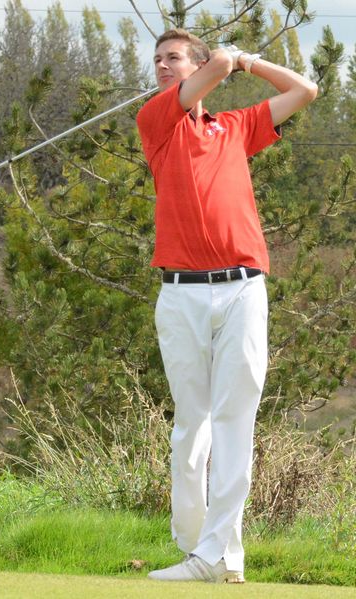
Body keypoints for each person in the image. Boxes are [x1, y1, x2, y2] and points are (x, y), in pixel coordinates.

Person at [136, 28, 317, 584]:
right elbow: (206, 77)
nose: (164, 67)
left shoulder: (234, 128)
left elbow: (304, 89)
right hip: (181, 292)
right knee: (194, 426)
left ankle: (219, 556)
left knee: (236, 419)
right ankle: (197, 548)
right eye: (159, 60)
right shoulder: (157, 120)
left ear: (190, 63)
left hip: (243, 287)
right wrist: (222, 62)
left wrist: (250, 61)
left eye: (173, 59)